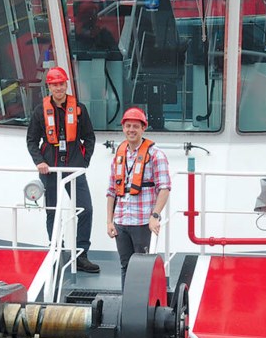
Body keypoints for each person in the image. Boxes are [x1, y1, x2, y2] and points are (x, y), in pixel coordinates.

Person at [26, 66, 100, 273]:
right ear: (49, 86)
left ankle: (81, 254)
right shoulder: (40, 111)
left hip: (74, 168)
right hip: (50, 169)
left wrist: (84, 162)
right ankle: (56, 251)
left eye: (61, 84)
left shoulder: (79, 109)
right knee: (52, 212)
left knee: (86, 210)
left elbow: (90, 137)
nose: (58, 88)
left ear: (66, 84)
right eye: (54, 84)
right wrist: (39, 162)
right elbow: (31, 140)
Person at [105, 107, 171, 288]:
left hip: (142, 222)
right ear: (123, 128)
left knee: (142, 268)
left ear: (143, 128)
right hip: (121, 221)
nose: (131, 130)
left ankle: (142, 306)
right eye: (128, 126)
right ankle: (128, 303)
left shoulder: (156, 155)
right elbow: (111, 190)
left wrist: (155, 216)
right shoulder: (119, 156)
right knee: (125, 265)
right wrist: (109, 221)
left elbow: (164, 188)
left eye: (135, 126)